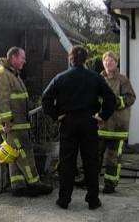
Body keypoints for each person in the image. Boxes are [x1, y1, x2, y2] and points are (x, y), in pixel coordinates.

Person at [42, 45, 116, 210]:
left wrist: (56, 115)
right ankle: (93, 200)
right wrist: (102, 116)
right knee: (91, 161)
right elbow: (111, 99)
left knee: (67, 162)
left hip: (68, 123)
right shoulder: (96, 78)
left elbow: (45, 98)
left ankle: (64, 199)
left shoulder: (60, 77)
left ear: (70, 59)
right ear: (86, 60)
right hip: (89, 123)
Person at [0, 47, 53, 197]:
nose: (25, 61)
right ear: (14, 58)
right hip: (12, 124)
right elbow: (1, 99)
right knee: (24, 152)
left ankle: (18, 185)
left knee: (15, 153)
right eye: (22, 58)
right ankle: (34, 183)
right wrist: (6, 121)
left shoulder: (12, 74)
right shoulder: (2, 74)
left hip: (16, 123)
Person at [99, 51, 136, 194]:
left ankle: (110, 185)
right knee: (95, 155)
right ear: (103, 63)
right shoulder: (99, 79)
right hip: (101, 125)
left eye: (111, 61)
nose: (108, 64)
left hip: (117, 126)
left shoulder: (123, 80)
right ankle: (91, 182)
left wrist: (115, 102)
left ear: (116, 63)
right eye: (106, 61)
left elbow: (131, 97)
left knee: (113, 158)